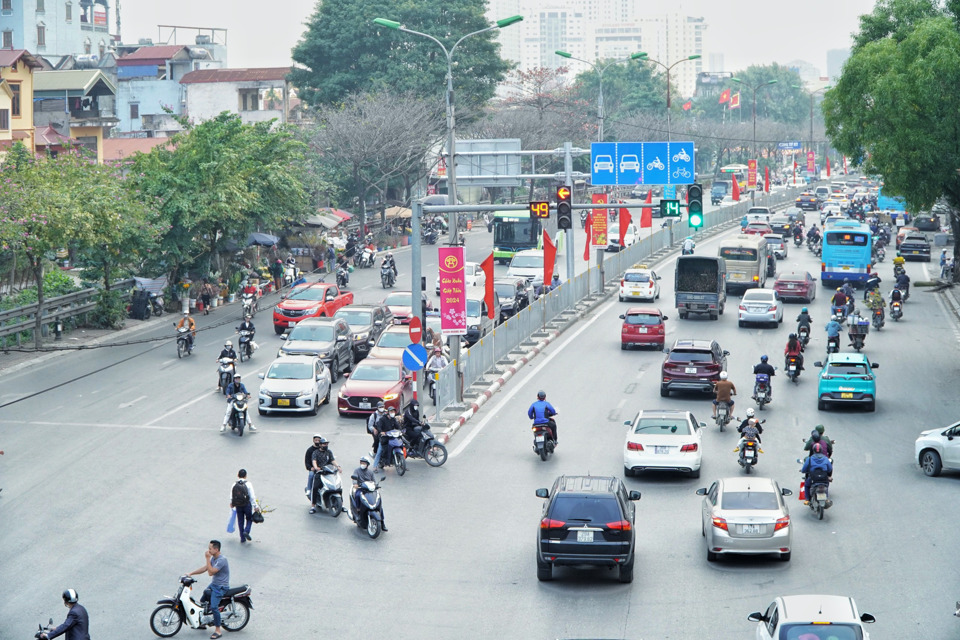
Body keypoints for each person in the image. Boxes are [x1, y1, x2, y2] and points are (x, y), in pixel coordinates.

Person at [188, 540, 229, 638]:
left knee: (214, 607)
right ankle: (202, 623)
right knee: (202, 602)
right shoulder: (214, 558)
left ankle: (218, 630)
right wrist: (190, 574)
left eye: (210, 548)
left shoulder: (221, 560)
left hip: (221, 587)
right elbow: (205, 568)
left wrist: (207, 558)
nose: (208, 550)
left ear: (216, 549)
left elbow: (210, 572)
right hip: (214, 585)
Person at [350, 455, 386, 531]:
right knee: (357, 495)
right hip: (361, 489)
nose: (362, 464)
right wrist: (355, 484)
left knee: (379, 503)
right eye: (361, 463)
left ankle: (382, 523)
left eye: (364, 463)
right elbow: (354, 479)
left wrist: (376, 485)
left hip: (370, 490)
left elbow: (374, 481)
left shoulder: (370, 472)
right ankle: (358, 509)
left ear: (367, 464)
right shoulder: (357, 471)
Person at [309, 437, 340, 514]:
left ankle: (341, 505)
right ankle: (313, 506)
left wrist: (338, 466)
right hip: (320, 473)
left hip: (329, 472)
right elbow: (314, 461)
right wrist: (316, 468)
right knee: (315, 487)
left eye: (326, 444)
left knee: (338, 486)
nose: (325, 445)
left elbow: (333, 460)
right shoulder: (315, 452)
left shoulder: (329, 452)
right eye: (324, 444)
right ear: (320, 445)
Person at [231, 469, 259, 543]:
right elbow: (252, 496)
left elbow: (232, 494)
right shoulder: (248, 484)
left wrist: (232, 503)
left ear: (238, 475)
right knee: (249, 518)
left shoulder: (234, 484)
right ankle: (246, 531)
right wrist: (255, 506)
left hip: (238, 505)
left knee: (240, 521)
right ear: (246, 476)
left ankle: (242, 538)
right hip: (247, 504)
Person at [304, 434, 323, 499]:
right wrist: (310, 468)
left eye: (318, 440)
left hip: (322, 468)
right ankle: (309, 489)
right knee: (311, 475)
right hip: (313, 469)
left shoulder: (322, 449)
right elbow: (307, 461)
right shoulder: (310, 450)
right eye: (316, 440)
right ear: (313, 440)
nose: (317, 441)